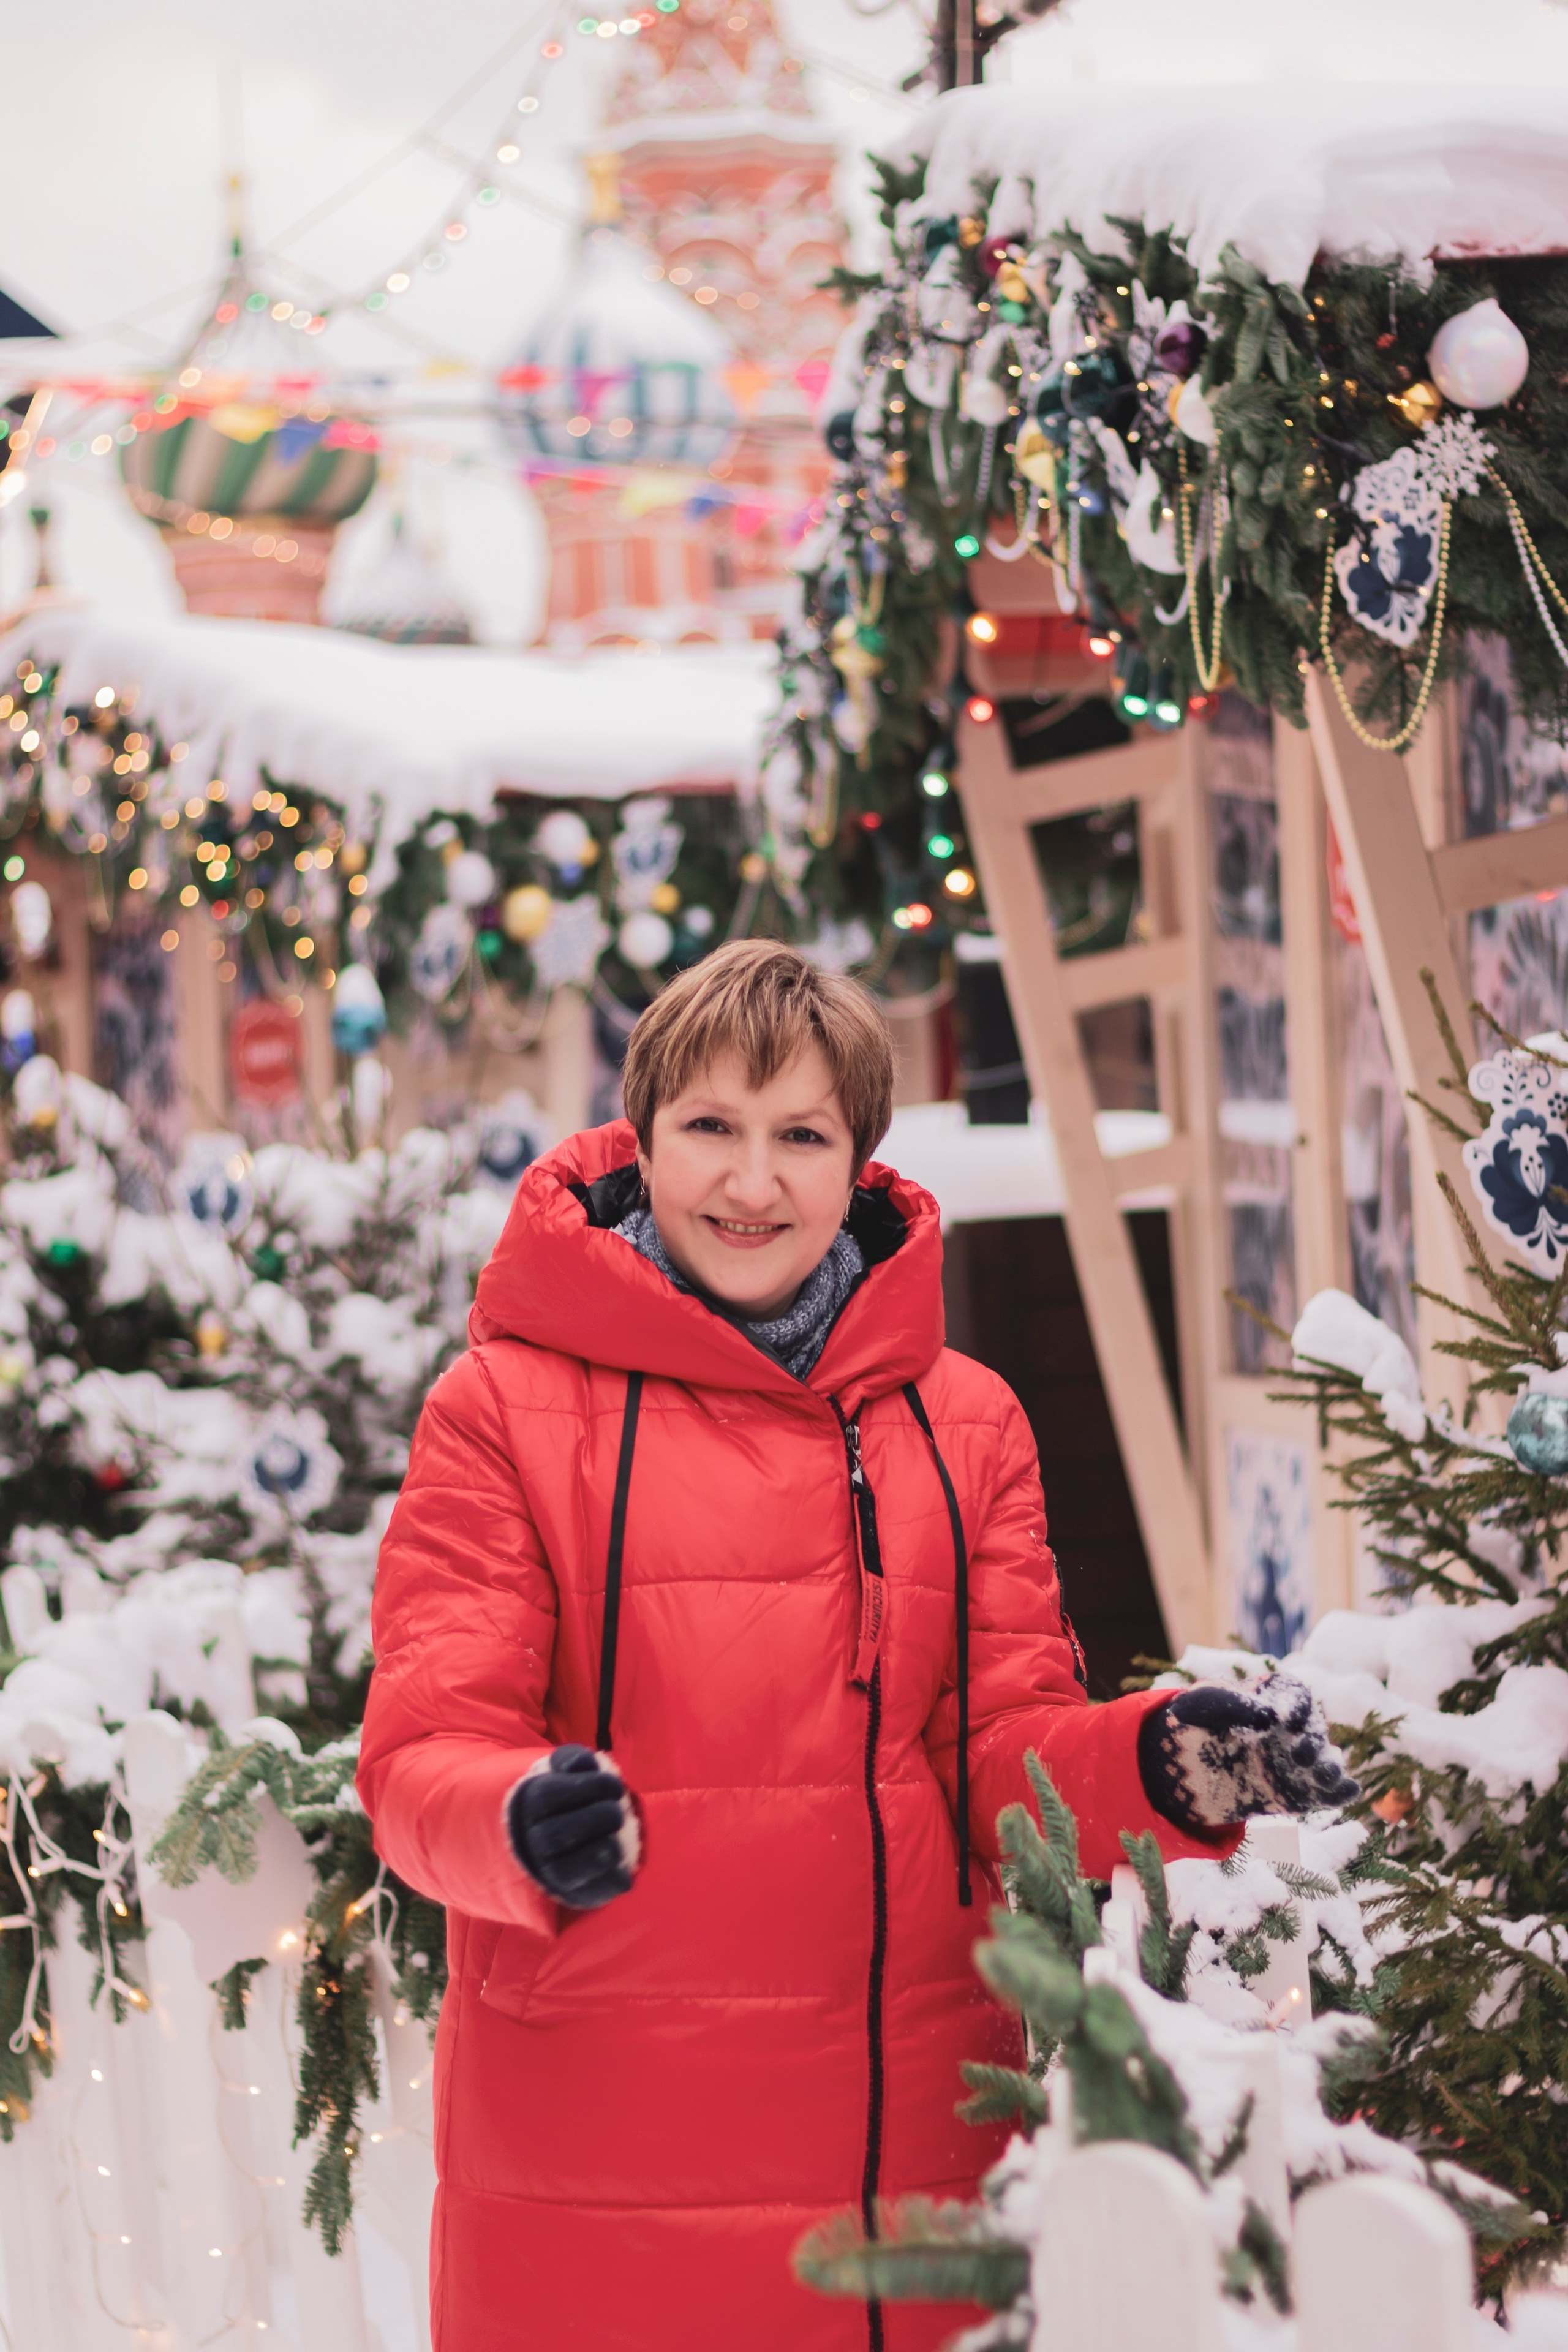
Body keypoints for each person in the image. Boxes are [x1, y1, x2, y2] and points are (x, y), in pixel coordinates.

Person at [358, 940, 1354, 2352]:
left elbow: (998, 1760)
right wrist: (519, 1818)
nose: (749, 1184)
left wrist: (1162, 1758)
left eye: (799, 1137)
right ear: (642, 1144)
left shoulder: (966, 1422)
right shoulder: (502, 1410)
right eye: (708, 1128)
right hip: (594, 2142)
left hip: (909, 2147)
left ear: (860, 1162)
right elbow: (417, 1757)